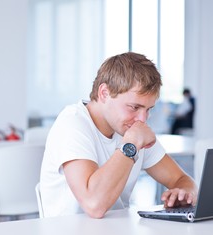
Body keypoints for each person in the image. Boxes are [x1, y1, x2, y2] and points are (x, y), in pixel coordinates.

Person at [40, 52, 197, 218]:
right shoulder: (72, 123)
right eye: (134, 107)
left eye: (148, 109)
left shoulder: (131, 127)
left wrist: (185, 192)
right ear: (104, 93)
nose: (142, 119)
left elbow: (182, 179)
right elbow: (94, 205)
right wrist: (131, 144)